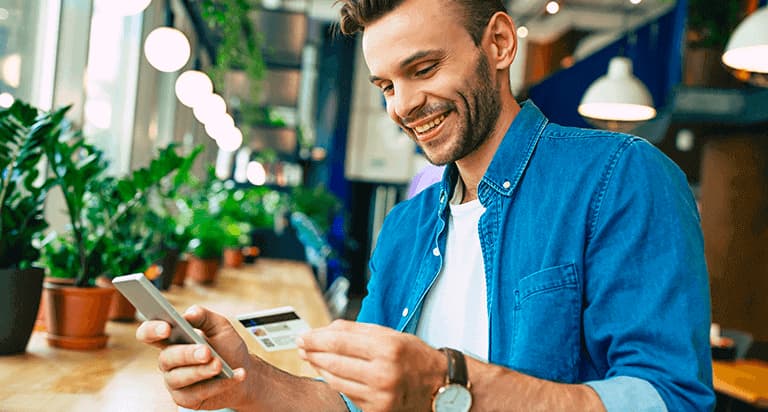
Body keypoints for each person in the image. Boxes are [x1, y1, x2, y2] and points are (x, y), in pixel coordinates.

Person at [137, 0, 715, 410]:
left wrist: (449, 381)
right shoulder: (406, 228)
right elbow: (356, 403)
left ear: (499, 43)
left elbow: (668, 398)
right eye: (386, 86)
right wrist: (246, 380)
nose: (403, 106)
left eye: (423, 69)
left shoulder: (621, 177)